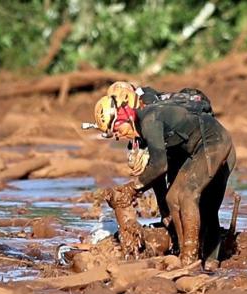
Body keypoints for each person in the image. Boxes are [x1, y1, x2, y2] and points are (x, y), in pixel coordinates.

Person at [93, 90, 235, 265]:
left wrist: (132, 188)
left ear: (126, 118)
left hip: (215, 141)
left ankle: (191, 258)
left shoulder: (149, 122)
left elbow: (159, 166)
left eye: (116, 129)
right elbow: (158, 178)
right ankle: (184, 253)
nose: (117, 136)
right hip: (196, 149)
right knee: (172, 197)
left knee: (189, 195)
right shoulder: (142, 132)